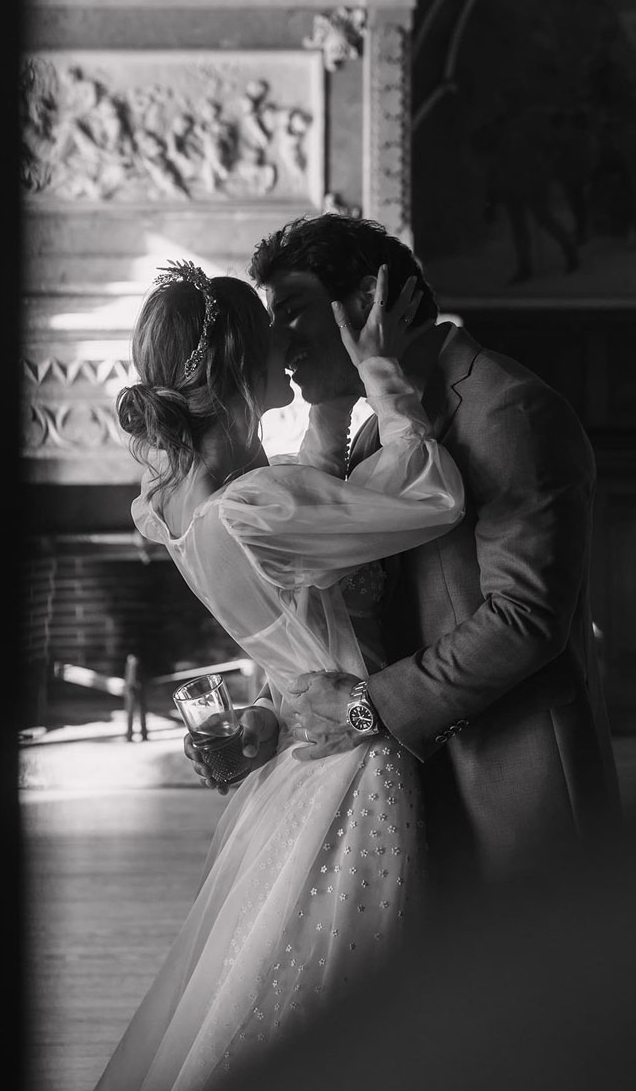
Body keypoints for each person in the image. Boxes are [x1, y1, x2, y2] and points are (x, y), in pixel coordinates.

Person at [93, 259, 466, 1091]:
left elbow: (317, 507)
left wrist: (333, 411)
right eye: (272, 340)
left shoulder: (174, 505)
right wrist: (380, 377)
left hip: (296, 752)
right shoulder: (256, 506)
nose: (289, 352)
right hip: (354, 761)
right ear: (238, 374)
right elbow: (430, 497)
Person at [192, 213, 620, 888]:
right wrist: (278, 716)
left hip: (509, 794)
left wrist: (365, 708)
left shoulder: (506, 409)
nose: (278, 343)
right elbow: (351, 625)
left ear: (370, 304)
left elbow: (526, 621)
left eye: (294, 313)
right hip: (407, 797)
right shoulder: (376, 437)